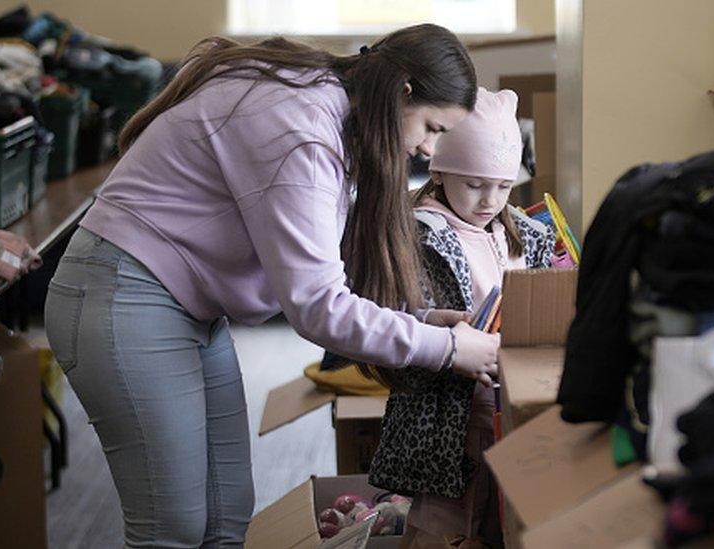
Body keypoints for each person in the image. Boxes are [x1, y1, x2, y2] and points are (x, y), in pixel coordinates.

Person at [43, 24, 499, 547]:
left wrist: (420, 323)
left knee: (227, 515)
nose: (426, 149)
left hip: (184, 304)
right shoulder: (303, 132)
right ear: (403, 91)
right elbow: (317, 308)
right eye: (432, 127)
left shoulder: (333, 106)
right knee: (172, 527)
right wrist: (446, 348)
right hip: (122, 292)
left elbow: (320, 265)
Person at [368, 88, 556, 548]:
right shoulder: (418, 233)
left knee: (503, 519)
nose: (490, 200)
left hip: (512, 406)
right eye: (474, 184)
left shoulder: (522, 234)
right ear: (439, 171)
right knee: (446, 524)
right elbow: (386, 317)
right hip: (448, 420)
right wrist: (433, 322)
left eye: (504, 186)